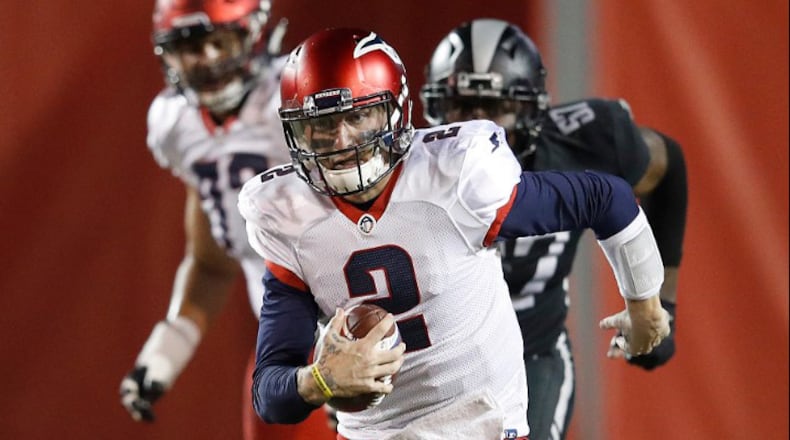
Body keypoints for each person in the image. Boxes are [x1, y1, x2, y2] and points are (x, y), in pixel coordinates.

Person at [237, 27, 671, 440]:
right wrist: (319, 381)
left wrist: (646, 306)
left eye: (360, 116)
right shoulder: (287, 216)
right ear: (296, 132)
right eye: (322, 124)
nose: (342, 140)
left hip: (481, 420)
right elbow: (270, 393)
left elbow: (605, 197)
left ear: (394, 110)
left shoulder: (454, 174)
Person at [420, 18, 687, 440]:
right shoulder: (407, 178)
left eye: (495, 108)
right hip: (432, 364)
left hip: (533, 352)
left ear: (531, 110)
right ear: (435, 109)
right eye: (460, 106)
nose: (476, 128)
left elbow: (666, 163)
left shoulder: (586, 141)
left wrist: (661, 302)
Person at [118, 1, 333, 438]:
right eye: (191, 46)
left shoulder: (298, 95)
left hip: (367, 318)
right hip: (286, 342)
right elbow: (213, 260)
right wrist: (166, 351)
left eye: (220, 40)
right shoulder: (175, 124)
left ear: (253, 33)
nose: (209, 58)